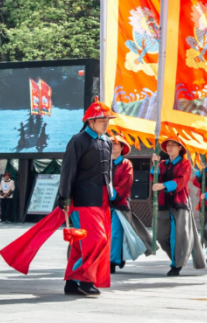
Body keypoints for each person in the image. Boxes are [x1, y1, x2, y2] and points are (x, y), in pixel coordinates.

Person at [58, 97, 116, 296]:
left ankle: (71, 283)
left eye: (108, 120)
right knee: (96, 240)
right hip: (82, 199)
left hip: (102, 200)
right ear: (90, 121)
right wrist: (64, 197)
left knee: (82, 245)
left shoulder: (107, 141)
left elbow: (108, 171)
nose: (106, 123)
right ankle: (84, 279)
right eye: (102, 120)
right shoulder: (78, 140)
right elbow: (68, 170)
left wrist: (111, 192)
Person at [151, 138, 206, 276]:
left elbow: (182, 180)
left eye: (173, 145)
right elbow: (155, 178)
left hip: (179, 203)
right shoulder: (162, 164)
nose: (169, 148)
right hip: (164, 204)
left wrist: (164, 185)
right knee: (161, 236)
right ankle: (178, 257)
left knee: (178, 236)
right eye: (168, 145)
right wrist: (154, 165)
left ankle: (176, 264)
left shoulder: (185, 163)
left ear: (180, 148)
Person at [110, 133, 154, 273]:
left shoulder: (126, 164)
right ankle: (115, 257)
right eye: (111, 143)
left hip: (120, 204)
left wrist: (111, 194)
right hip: (103, 204)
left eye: (116, 143)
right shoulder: (103, 163)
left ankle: (112, 261)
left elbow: (125, 184)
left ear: (122, 147)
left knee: (116, 233)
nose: (112, 145)